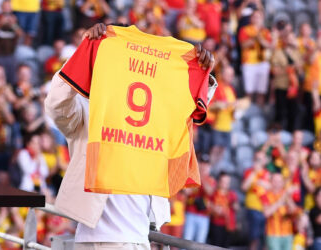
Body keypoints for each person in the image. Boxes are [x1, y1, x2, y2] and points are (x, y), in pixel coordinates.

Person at [44, 23, 216, 250]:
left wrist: (203, 76)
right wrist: (83, 53)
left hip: (131, 237)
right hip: (93, 236)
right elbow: (56, 103)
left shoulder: (157, 114)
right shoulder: (89, 107)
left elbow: (181, 110)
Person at [262, 172, 300, 250]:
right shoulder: (265, 195)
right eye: (275, 181)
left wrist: (288, 199)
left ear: (283, 183)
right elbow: (266, 213)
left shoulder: (286, 194)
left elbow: (295, 212)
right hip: (273, 234)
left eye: (279, 181)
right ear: (271, 182)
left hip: (288, 233)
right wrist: (281, 200)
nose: (277, 184)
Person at [242, 151, 271, 250]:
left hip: (266, 209)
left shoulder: (267, 173)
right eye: (257, 159)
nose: (258, 161)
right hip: (253, 208)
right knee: (254, 238)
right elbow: (244, 187)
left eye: (260, 159)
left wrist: (262, 183)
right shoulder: (249, 171)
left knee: (265, 239)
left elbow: (272, 188)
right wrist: (254, 172)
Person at [210, 172, 238, 248]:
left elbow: (236, 207)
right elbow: (209, 206)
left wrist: (235, 205)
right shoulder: (214, 193)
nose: (226, 184)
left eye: (227, 182)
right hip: (217, 224)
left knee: (226, 246)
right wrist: (215, 209)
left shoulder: (232, 194)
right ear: (219, 181)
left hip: (228, 225)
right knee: (215, 245)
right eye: (224, 181)